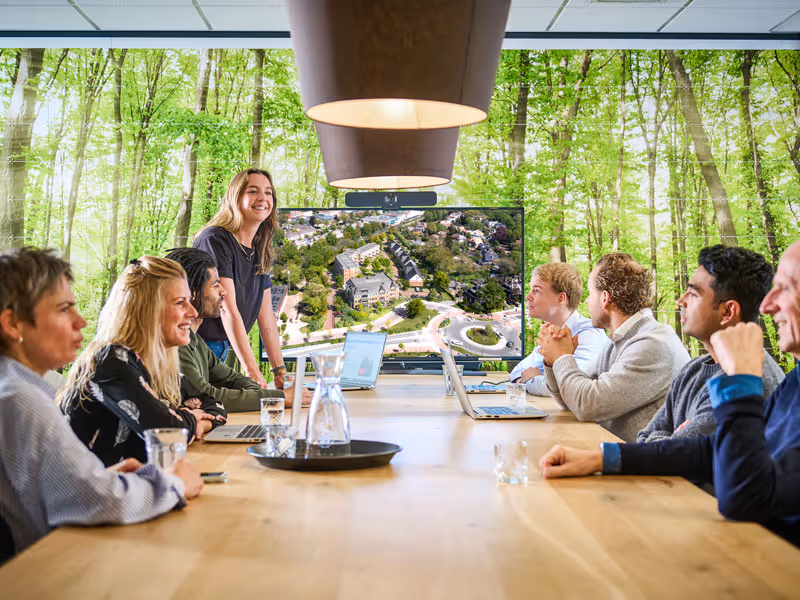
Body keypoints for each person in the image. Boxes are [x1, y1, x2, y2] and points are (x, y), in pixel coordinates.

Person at [539, 241, 800, 547]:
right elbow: (704, 450)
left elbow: (743, 495)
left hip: (747, 550)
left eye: (786, 288)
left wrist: (741, 381)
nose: (768, 306)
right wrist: (599, 459)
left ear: (729, 310)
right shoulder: (788, 382)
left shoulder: (754, 376)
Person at [0, 247, 201, 561]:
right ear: (13, 324)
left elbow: (52, 493)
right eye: (64, 309)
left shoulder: (15, 389)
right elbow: (99, 501)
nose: (81, 321)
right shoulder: (21, 398)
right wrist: (173, 484)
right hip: (42, 571)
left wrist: (103, 477)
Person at [61, 257, 227, 467]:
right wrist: (193, 420)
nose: (193, 312)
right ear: (147, 310)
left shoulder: (155, 366)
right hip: (96, 487)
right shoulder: (110, 360)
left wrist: (185, 420)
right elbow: (168, 433)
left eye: (190, 300)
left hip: (134, 481)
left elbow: (215, 406)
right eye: (180, 303)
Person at [538, 252, 690, 442]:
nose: (586, 301)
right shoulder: (619, 340)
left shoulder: (652, 344)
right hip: (617, 452)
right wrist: (552, 361)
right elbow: (572, 400)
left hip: (642, 459)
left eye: (590, 293)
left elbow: (587, 405)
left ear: (604, 298)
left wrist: (562, 357)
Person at [638, 245, 784, 442]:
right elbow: (644, 438)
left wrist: (668, 440)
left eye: (694, 294)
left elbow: (673, 454)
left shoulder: (746, 382)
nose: (680, 301)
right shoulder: (692, 369)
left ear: (727, 312)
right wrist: (670, 440)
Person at [165, 247, 312, 411]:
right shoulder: (175, 346)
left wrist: (262, 395)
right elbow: (207, 396)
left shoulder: (195, 340)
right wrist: (279, 398)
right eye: (216, 285)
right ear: (192, 293)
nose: (223, 291)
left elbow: (233, 379)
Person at [193, 168, 287, 390]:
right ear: (235, 198)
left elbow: (266, 317)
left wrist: (280, 373)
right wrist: (253, 373)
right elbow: (227, 310)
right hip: (200, 347)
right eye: (253, 191)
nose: (263, 198)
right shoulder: (215, 240)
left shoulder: (260, 248)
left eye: (268, 192)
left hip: (224, 347)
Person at [509, 263, 608, 396]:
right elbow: (517, 372)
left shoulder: (589, 335)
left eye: (536, 291)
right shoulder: (551, 333)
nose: (528, 296)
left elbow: (568, 387)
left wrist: (529, 380)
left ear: (561, 298)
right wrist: (534, 380)